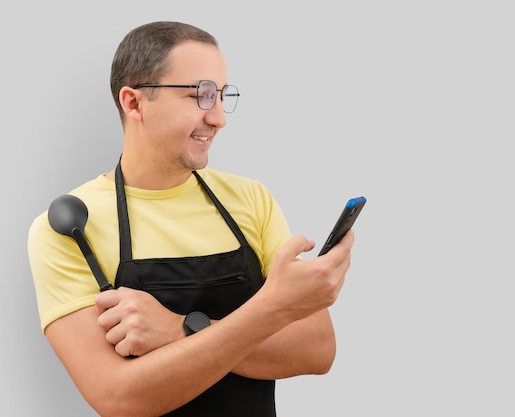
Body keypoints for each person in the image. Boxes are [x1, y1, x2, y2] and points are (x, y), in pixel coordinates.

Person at [28, 20, 355, 417]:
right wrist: (271, 311)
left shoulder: (250, 200)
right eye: (199, 95)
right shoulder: (67, 226)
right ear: (134, 103)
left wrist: (178, 327)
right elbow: (119, 397)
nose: (218, 118)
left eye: (220, 96)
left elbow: (317, 350)